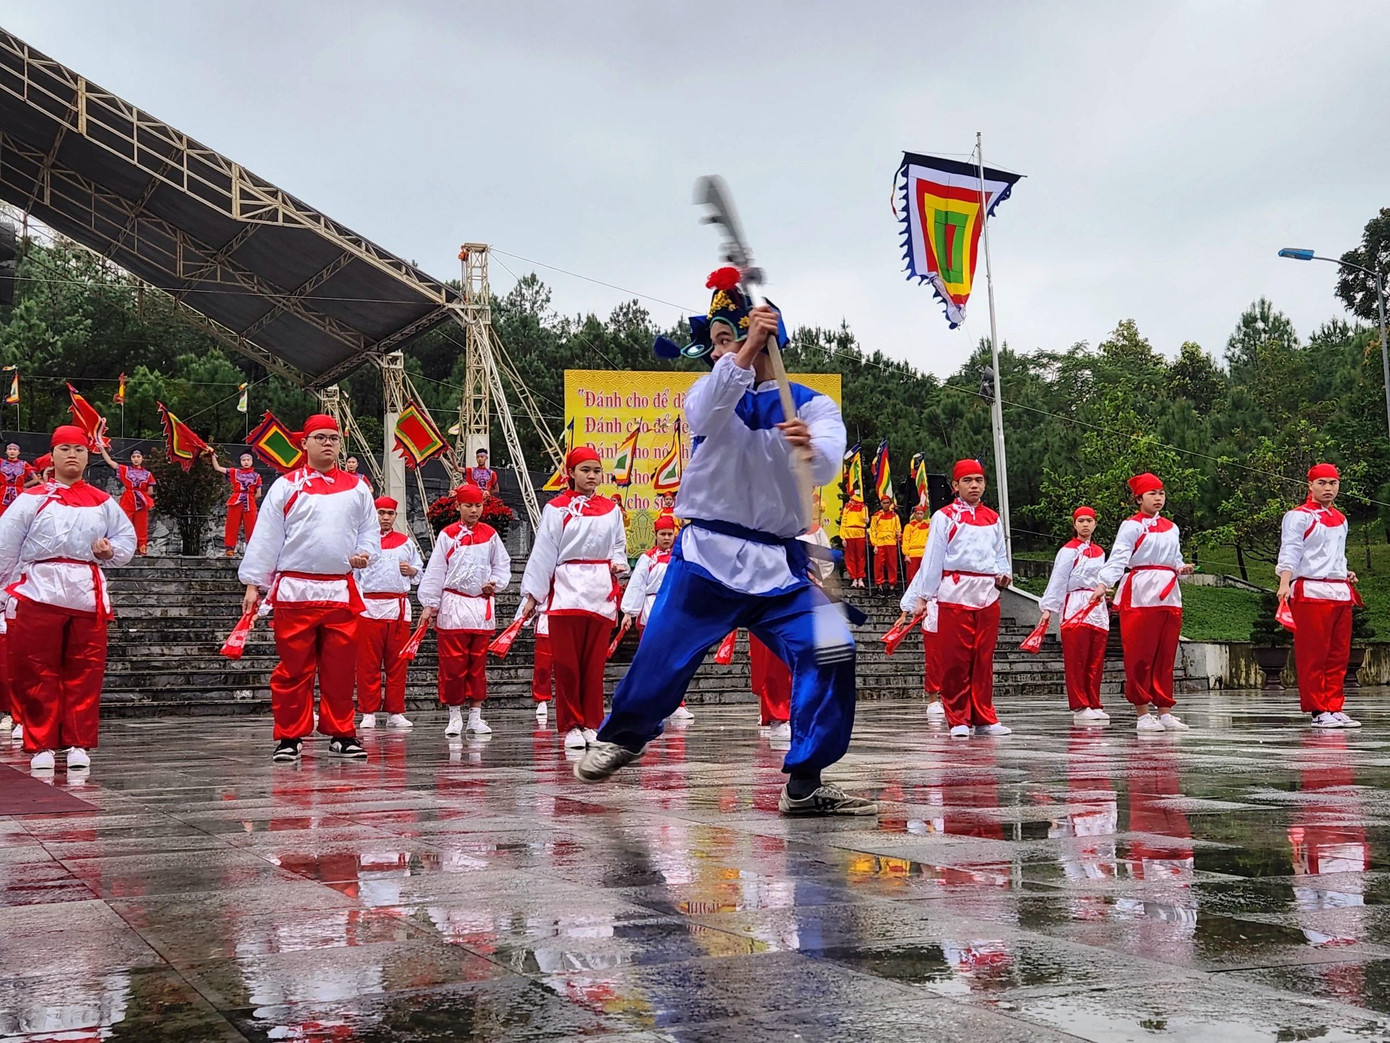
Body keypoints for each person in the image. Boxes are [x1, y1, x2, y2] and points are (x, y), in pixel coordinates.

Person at [576, 267, 874, 816]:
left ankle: (806, 780)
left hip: (781, 564)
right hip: (707, 555)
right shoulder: (711, 390)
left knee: (833, 648)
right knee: (662, 653)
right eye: (712, 342)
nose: (716, 352)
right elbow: (705, 411)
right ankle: (623, 736)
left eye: (724, 339)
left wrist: (809, 449)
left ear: (769, 340)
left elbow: (828, 464)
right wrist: (743, 348)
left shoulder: (809, 405)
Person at [239, 414, 379, 762]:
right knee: (293, 668)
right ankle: (289, 735)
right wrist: (254, 584)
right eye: (320, 437)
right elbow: (266, 537)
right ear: (304, 443)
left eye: (333, 437)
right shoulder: (287, 486)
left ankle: (342, 732)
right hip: (295, 590)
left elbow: (369, 531)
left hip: (339, 590)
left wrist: (365, 553)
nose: (328, 443)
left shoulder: (358, 487)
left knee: (341, 669)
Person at [0, 425, 136, 773]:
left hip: (85, 593)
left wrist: (109, 551)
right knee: (36, 670)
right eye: (65, 449)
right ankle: (41, 742)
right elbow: (5, 548)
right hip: (38, 590)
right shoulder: (30, 499)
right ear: (53, 455)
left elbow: (125, 542)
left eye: (78, 449)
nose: (72, 455)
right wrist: (3, 593)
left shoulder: (102, 501)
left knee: (85, 670)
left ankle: (77, 742)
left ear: (88, 457)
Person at [518, 447, 628, 750]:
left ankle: (592, 723)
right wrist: (532, 596)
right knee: (567, 664)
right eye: (585, 470)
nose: (591, 476)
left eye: (596, 470)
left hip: (600, 593)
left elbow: (619, 545)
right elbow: (544, 553)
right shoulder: (556, 508)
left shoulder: (611, 509)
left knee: (593, 665)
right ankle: (570, 726)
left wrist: (619, 564)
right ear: (571, 473)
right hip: (567, 591)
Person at [902, 459, 1012, 739]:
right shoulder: (944, 516)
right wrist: (923, 597)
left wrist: (1003, 573)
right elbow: (933, 559)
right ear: (955, 486)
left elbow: (1000, 554)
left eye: (979, 480)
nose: (974, 485)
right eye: (968, 481)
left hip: (986, 593)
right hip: (954, 591)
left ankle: (984, 716)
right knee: (956, 659)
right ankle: (958, 718)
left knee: (983, 659)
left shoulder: (993, 518)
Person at [1094, 473, 1195, 734]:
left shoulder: (1172, 527)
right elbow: (1119, 558)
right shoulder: (1131, 526)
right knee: (1140, 654)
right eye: (1152, 494)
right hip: (1140, 592)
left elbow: (1175, 557)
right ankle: (1142, 712)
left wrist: (1181, 567)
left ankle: (1165, 711)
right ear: (1139, 499)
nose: (1158, 498)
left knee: (1165, 654)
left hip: (1169, 593)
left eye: (1161, 493)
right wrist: (1104, 583)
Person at [419, 484, 511, 738]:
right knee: (453, 665)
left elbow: (502, 566)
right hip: (453, 606)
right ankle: (454, 715)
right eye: (468, 506)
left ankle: (476, 716)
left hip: (480, 607)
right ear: (458, 506)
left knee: (477, 663)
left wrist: (495, 583)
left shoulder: (491, 535)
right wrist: (430, 604)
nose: (474, 511)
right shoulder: (447, 535)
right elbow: (436, 570)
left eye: (478, 506)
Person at [1277, 463, 1361, 729]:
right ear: (1310, 485)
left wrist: (1343, 571)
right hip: (1311, 590)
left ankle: (1334, 706)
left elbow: (1336, 553)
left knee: (1338, 654)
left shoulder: (1340, 519)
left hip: (1339, 591)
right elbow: (1290, 550)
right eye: (1322, 483)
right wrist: (1284, 583)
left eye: (1333, 483)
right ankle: (1317, 708)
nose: (1328, 488)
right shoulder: (1298, 516)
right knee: (1314, 653)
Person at [355, 496, 423, 731]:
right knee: (367, 663)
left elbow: (420, 572)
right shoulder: (362, 542)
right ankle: (368, 711)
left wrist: (412, 570)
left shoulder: (406, 542)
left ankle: (395, 710)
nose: (385, 517)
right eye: (381, 512)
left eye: (389, 513)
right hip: (369, 607)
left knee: (398, 663)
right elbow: (353, 577)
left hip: (397, 608)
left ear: (395, 516)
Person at [1038, 506, 1111, 726]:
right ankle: (1080, 705)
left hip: (1097, 608)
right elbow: (1058, 579)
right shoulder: (1068, 551)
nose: (1085, 525)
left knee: (1095, 658)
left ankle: (1093, 702)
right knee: (1077, 658)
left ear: (1095, 524)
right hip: (1075, 605)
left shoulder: (1100, 552)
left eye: (1089, 521)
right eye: (1081, 521)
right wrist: (1048, 608)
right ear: (1074, 525)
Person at [619, 514, 693, 722]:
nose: (667, 538)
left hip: (674, 613)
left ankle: (677, 703)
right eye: (663, 534)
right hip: (650, 613)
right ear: (656, 535)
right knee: (650, 659)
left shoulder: (681, 558)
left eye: (670, 534)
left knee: (675, 661)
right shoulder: (647, 558)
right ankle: (648, 701)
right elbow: (637, 585)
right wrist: (628, 613)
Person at [98, 445, 155, 556]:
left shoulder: (147, 474)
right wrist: (102, 450)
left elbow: (150, 491)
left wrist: (140, 495)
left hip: (141, 502)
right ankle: (123, 548)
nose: (136, 459)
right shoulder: (126, 470)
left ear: (142, 458)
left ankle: (142, 549)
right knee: (124, 524)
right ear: (131, 459)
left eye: (138, 456)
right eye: (134, 456)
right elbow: (110, 462)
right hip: (128, 500)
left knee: (141, 526)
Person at [206, 449, 263, 557]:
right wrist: (213, 456)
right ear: (241, 462)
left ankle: (252, 549)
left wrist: (249, 498)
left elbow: (259, 494)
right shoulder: (235, 472)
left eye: (248, 460)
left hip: (249, 502)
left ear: (252, 461)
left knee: (251, 527)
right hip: (236, 501)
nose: (246, 462)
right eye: (244, 460)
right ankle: (230, 549)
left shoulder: (257, 476)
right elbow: (218, 468)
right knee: (231, 525)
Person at [869, 495, 902, 594]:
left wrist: (898, 534)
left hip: (891, 543)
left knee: (892, 565)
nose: (886, 505)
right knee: (878, 566)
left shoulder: (895, 516)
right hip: (879, 543)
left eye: (888, 503)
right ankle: (879, 586)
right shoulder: (876, 516)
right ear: (881, 504)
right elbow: (872, 531)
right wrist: (874, 544)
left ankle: (892, 586)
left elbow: (899, 529)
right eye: (884, 503)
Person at [839, 493, 868, 588]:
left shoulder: (863, 507)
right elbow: (843, 521)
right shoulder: (847, 507)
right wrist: (843, 537)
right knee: (850, 558)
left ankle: (860, 578)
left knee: (860, 557)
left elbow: (864, 520)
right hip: (849, 534)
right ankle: (854, 579)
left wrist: (866, 520)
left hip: (860, 534)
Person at [0, 443, 34, 515]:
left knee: (16, 513)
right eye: (10, 449)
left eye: (15, 449)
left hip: (18, 492)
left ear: (18, 452)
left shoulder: (24, 464)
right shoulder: (1, 462)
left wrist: (23, 486)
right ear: (6, 452)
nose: (12, 451)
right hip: (2, 492)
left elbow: (35, 479)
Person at [902, 506, 930, 583]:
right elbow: (905, 540)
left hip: (924, 553)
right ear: (914, 514)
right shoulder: (909, 526)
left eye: (921, 514)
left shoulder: (928, 526)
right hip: (912, 553)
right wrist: (906, 554)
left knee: (924, 575)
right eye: (918, 514)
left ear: (924, 514)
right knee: (911, 576)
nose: (919, 515)